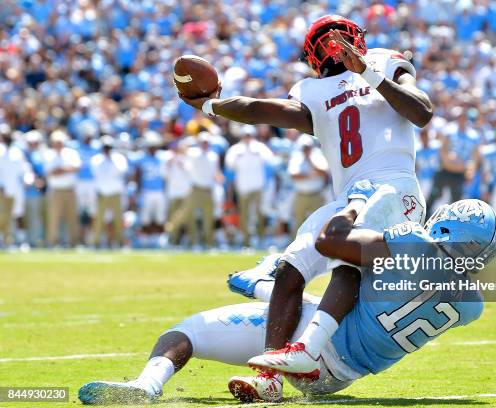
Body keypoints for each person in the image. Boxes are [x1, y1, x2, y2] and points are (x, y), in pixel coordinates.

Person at [179, 15, 433, 386]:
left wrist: (368, 73)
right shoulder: (312, 92)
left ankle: (308, 351)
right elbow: (257, 109)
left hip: (395, 188)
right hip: (349, 197)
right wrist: (209, 107)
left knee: (348, 258)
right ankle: (269, 377)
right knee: (289, 269)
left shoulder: (384, 61)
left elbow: (422, 112)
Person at [76, 198, 496, 404]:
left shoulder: (408, 245)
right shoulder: (472, 305)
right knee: (349, 279)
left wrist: (356, 206)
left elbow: (331, 243)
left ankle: (146, 387)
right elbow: (375, 309)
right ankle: (265, 295)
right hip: (341, 377)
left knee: (187, 330)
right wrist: (263, 286)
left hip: (315, 349)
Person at [165, 132, 223, 247]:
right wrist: (189, 141)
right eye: (203, 142)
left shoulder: (213, 156)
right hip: (196, 189)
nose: (205, 144)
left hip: (208, 190)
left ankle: (209, 244)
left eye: (206, 142)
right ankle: (169, 232)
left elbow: (216, 172)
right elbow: (181, 147)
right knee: (184, 213)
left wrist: (219, 178)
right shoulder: (194, 153)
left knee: (209, 219)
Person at [224, 125, 274, 247]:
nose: (248, 138)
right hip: (242, 187)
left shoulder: (260, 148)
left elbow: (270, 161)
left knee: (259, 213)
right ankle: (246, 241)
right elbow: (229, 165)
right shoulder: (235, 149)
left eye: (249, 135)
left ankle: (261, 239)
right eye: (246, 135)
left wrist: (255, 153)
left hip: (258, 186)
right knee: (244, 215)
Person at [427, 106, 479, 216]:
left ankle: (454, 227)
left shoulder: (473, 135)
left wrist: (471, 170)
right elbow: (442, 150)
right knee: (434, 196)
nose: (462, 119)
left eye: (463, 117)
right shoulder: (449, 130)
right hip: (445, 170)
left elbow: (474, 156)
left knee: (457, 202)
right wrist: (448, 162)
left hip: (460, 173)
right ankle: (425, 221)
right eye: (459, 117)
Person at [43, 130, 82, 247]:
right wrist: (65, 169)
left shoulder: (71, 153)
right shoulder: (48, 154)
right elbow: (50, 172)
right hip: (56, 190)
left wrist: (60, 169)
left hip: (70, 189)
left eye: (60, 142)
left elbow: (76, 167)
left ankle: (74, 242)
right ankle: (53, 242)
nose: (58, 145)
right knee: (54, 217)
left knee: (73, 217)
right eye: (56, 142)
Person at [90, 136, 128, 247]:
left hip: (115, 192)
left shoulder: (119, 158)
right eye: (105, 148)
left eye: (109, 147)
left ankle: (120, 242)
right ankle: (95, 242)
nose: (107, 150)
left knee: (118, 218)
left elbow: (120, 172)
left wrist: (111, 161)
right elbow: (99, 175)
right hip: (102, 192)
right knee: (99, 218)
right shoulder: (96, 159)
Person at [288, 134, 329, 237]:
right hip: (301, 194)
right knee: (298, 222)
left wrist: (310, 161)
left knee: (319, 222)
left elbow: (323, 172)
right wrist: (311, 175)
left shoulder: (317, 155)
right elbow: (294, 175)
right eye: (304, 147)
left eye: (308, 147)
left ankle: (318, 246)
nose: (306, 149)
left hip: (316, 194)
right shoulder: (296, 156)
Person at [0, 128, 31, 246]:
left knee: (19, 214)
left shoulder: (17, 152)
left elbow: (26, 169)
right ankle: (3, 240)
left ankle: (22, 240)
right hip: (2, 190)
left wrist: (28, 180)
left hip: (17, 189)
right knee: (2, 216)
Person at [134, 131, 167, 241]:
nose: (153, 149)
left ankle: (159, 238)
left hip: (159, 191)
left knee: (160, 216)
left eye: (154, 146)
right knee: (145, 217)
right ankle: (145, 237)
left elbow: (166, 177)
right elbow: (138, 176)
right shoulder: (142, 159)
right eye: (151, 146)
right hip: (146, 191)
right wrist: (138, 191)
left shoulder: (162, 158)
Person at [162, 138, 194, 246]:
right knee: (173, 218)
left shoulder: (189, 159)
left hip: (186, 193)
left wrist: (183, 166)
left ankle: (191, 241)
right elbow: (164, 175)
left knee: (187, 218)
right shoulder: (169, 159)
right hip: (173, 193)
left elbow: (192, 175)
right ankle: (173, 241)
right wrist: (169, 165)